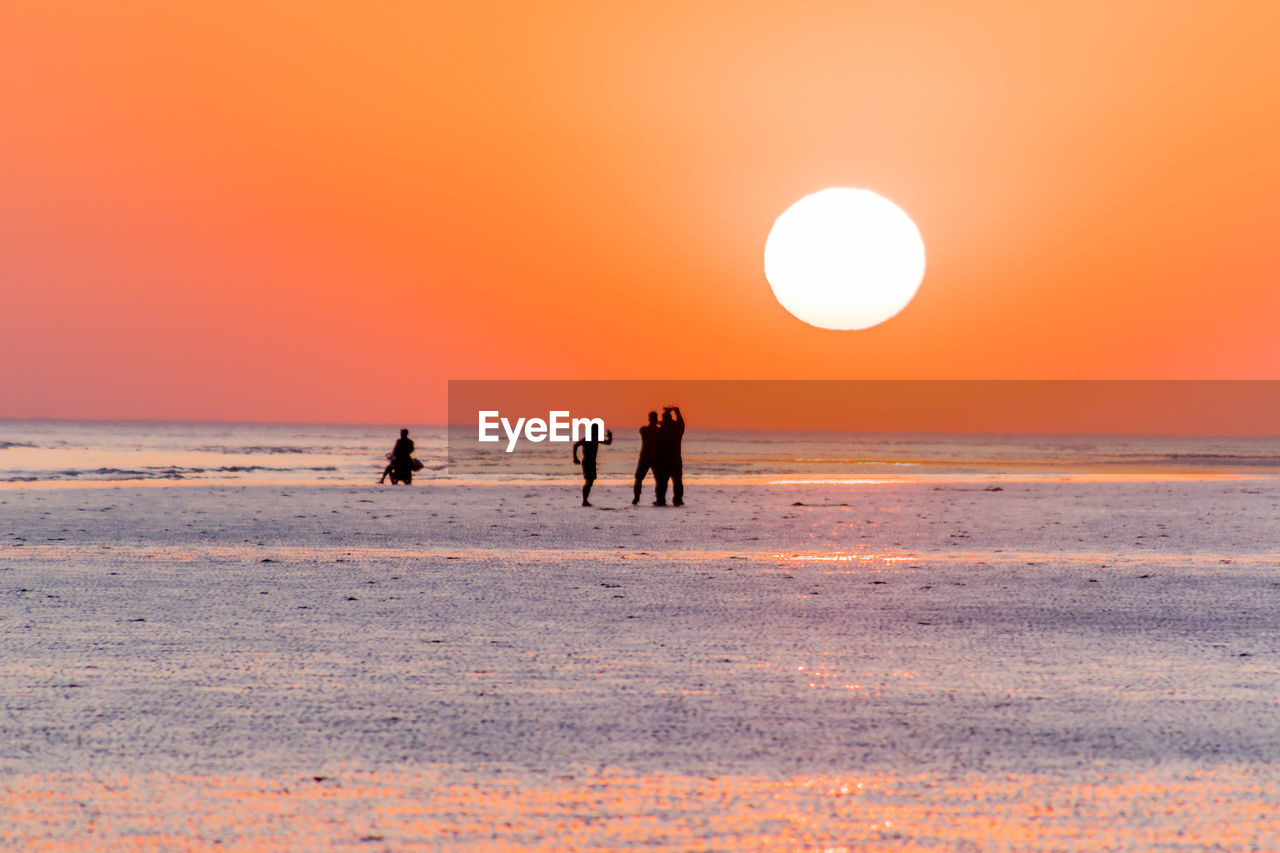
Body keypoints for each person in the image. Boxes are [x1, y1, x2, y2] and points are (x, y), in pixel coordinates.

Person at [572, 423, 613, 506]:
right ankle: (584, 501)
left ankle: (585, 500)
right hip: (587, 462)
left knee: (590, 481)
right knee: (588, 481)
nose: (597, 432)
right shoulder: (587, 439)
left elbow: (608, 443)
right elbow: (575, 445)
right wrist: (575, 458)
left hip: (592, 462)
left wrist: (610, 437)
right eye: (596, 430)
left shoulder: (596, 439)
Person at [654, 406, 684, 506]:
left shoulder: (661, 430)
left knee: (662, 483)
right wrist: (676, 411)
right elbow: (680, 423)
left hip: (664, 461)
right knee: (677, 482)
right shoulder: (677, 430)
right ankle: (677, 500)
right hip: (675, 460)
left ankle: (661, 500)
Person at [633, 411, 661, 505]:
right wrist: (659, 424)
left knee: (639, 479)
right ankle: (659, 498)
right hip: (654, 457)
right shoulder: (658, 430)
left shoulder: (644, 429)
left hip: (646, 457)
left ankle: (636, 498)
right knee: (658, 479)